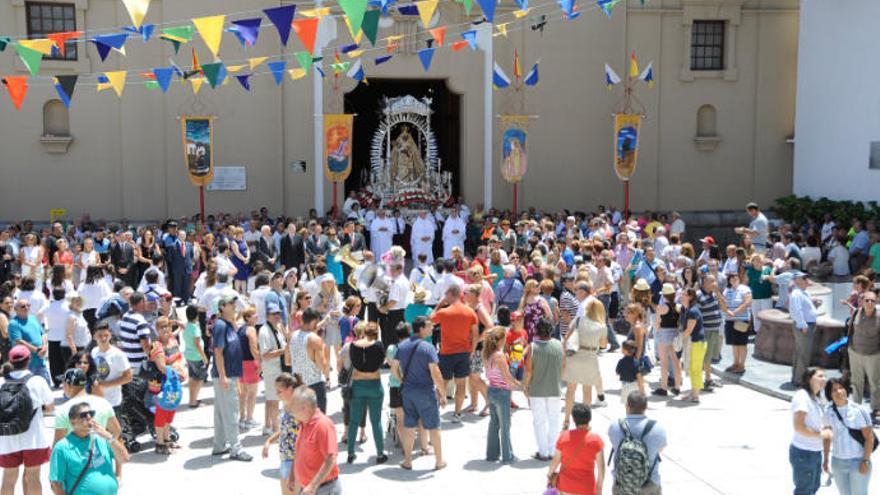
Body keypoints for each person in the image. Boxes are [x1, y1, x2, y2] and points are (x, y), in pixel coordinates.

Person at [392, 316, 447, 471]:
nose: (432, 328)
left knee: (409, 427)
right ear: (421, 328)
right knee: (434, 427)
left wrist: (402, 379)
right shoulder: (428, 347)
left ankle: (408, 461)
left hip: (408, 392)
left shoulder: (402, 346)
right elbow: (436, 373)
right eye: (429, 326)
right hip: (425, 392)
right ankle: (439, 461)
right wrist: (442, 394)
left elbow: (394, 368)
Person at [0, 346, 54, 495]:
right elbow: (50, 408)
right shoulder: (37, 381)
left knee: (8, 478)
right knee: (33, 478)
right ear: (28, 360)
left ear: (10, 361)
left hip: (7, 437)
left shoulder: (1, 382)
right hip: (34, 438)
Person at [48, 402, 129, 495]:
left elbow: (124, 459)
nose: (89, 417)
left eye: (91, 413)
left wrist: (109, 437)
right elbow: (55, 483)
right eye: (83, 415)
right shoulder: (62, 448)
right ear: (72, 421)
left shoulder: (102, 439)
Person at [211, 294, 252, 461]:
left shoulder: (228, 325)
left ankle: (220, 445)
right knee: (231, 412)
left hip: (229, 375)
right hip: (225, 375)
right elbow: (218, 352)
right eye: (230, 303)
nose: (234, 305)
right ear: (222, 307)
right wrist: (223, 376)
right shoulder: (220, 325)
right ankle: (236, 448)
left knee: (222, 412)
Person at [431, 285, 479, 422]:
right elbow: (475, 335)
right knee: (461, 384)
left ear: (451, 294)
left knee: (442, 383)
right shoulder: (470, 312)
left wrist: (439, 304)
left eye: (446, 295)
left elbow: (430, 319)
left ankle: (434, 412)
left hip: (447, 353)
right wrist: (472, 350)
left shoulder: (444, 312)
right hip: (464, 352)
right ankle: (457, 413)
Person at [823, 377, 874, 495]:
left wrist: (865, 461)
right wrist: (825, 459)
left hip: (857, 461)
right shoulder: (828, 411)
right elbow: (827, 437)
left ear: (846, 390)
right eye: (834, 390)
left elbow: (869, 438)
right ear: (830, 395)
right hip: (838, 462)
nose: (838, 392)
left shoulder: (859, 411)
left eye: (841, 388)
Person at [345, 321, 387, 465]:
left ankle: (350, 453)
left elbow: (354, 363)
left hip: (358, 386)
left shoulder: (353, 346)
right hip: (374, 384)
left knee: (354, 420)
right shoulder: (378, 345)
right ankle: (380, 453)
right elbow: (381, 362)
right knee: (376, 421)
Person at [562, 298, 607, 427]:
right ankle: (585, 422)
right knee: (587, 391)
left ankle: (566, 419)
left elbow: (566, 338)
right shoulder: (602, 326)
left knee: (571, 390)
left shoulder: (578, 320)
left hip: (575, 356)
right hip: (590, 357)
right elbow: (603, 345)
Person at [524, 317, 563, 461]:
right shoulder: (559, 345)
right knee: (554, 420)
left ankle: (543, 451)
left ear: (536, 331)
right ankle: (552, 451)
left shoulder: (533, 347)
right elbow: (563, 366)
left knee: (539, 421)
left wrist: (525, 386)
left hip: (537, 390)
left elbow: (528, 371)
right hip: (555, 388)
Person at [291, 386, 341, 495]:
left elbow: (331, 458)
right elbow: (299, 454)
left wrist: (313, 486)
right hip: (308, 488)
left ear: (305, 408)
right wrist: (292, 477)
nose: (291, 410)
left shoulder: (323, 425)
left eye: (293, 407)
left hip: (323, 489)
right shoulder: (304, 422)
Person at [148, 317, 187, 455]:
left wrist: (181, 367)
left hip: (174, 382)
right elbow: (162, 367)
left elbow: (179, 357)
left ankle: (167, 438)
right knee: (161, 413)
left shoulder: (173, 340)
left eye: (167, 326)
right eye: (162, 327)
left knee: (170, 410)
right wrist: (177, 370)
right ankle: (160, 443)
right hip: (162, 384)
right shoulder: (156, 345)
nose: (165, 329)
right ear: (157, 330)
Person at [483, 325, 522, 464]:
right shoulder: (499, 356)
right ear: (500, 340)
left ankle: (492, 454)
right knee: (505, 425)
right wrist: (520, 385)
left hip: (492, 390)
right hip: (501, 392)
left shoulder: (487, 354)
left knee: (494, 423)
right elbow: (507, 377)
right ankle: (508, 456)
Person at [547, 402, 605, 495]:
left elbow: (555, 461)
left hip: (565, 487)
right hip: (587, 488)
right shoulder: (596, 440)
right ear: (589, 418)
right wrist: (599, 488)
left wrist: (549, 476)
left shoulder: (564, 436)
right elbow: (601, 468)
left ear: (573, 419)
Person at [52, 368, 121, 444]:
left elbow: (58, 444)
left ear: (68, 385)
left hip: (75, 455)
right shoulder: (104, 403)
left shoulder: (63, 410)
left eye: (63, 383)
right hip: (100, 455)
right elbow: (116, 431)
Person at [789, 368, 831, 495]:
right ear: (809, 378)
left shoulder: (816, 398)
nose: (824, 379)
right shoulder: (802, 397)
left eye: (825, 376)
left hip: (814, 452)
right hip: (804, 453)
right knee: (804, 491)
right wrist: (820, 435)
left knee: (813, 488)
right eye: (820, 376)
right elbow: (799, 426)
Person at [261, 373, 304, 495]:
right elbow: (285, 429)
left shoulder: (298, 409)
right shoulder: (286, 406)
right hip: (285, 459)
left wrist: (292, 474)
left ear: (290, 389)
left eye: (279, 391)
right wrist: (269, 441)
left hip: (295, 461)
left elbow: (302, 438)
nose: (277, 394)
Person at [259, 303, 289, 435]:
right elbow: (265, 354)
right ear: (267, 316)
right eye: (274, 314)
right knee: (274, 399)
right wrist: (284, 351)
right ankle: (276, 430)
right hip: (272, 369)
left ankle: (267, 426)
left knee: (270, 399)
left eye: (278, 313)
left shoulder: (277, 327)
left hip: (277, 368)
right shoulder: (264, 331)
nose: (277, 316)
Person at [290, 308, 328, 413]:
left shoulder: (292, 336)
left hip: (298, 384)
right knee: (318, 421)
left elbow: (287, 361)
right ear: (313, 322)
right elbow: (322, 366)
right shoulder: (314, 339)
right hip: (315, 384)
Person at [7, 300, 50, 384]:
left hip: (40, 361)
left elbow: (43, 334)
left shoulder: (33, 318)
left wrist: (44, 347)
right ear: (16, 309)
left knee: (45, 387)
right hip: (27, 365)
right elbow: (18, 341)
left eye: (28, 305)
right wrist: (37, 350)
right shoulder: (13, 323)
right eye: (23, 306)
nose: (26, 307)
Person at [90, 323, 132, 411]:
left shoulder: (118, 355)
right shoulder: (94, 352)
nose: (103, 338)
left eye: (106, 335)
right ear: (94, 337)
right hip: (96, 401)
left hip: (113, 402)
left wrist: (105, 385)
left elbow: (128, 377)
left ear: (110, 336)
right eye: (100, 335)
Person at [652, 284, 682, 397]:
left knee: (664, 362)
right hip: (675, 333)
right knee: (676, 361)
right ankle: (677, 387)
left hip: (664, 334)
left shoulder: (661, 307)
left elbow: (657, 323)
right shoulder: (678, 307)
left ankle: (663, 388)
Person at [677, 288, 706, 403]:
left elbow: (689, 330)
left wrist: (678, 339)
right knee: (691, 368)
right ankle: (693, 392)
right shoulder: (686, 309)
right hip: (692, 342)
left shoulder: (693, 311)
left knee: (696, 369)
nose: (681, 295)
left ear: (690, 297)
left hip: (697, 342)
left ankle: (696, 396)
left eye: (683, 294)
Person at [789, 272, 818, 386]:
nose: (807, 280)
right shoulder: (797, 293)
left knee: (800, 353)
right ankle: (800, 380)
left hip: (806, 325)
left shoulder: (802, 292)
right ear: (797, 280)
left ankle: (797, 378)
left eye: (807, 278)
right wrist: (803, 325)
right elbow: (796, 310)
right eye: (804, 278)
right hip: (804, 327)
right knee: (803, 354)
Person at [721, 273, 752, 374]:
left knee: (742, 343)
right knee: (734, 343)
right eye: (732, 278)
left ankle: (741, 365)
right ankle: (735, 363)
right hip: (730, 320)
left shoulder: (745, 289)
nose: (734, 280)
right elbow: (723, 303)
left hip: (741, 320)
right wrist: (727, 311)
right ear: (729, 280)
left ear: (739, 279)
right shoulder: (727, 290)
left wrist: (734, 312)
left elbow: (747, 302)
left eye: (736, 278)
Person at [237, 307, 262, 431]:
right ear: (247, 317)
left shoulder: (240, 329)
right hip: (250, 363)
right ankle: (249, 419)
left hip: (240, 363)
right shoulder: (251, 329)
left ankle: (242, 418)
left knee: (243, 394)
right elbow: (253, 348)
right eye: (254, 315)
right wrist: (260, 362)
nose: (257, 316)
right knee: (252, 394)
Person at [181, 305, 208, 408]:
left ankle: (192, 399)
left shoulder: (186, 325)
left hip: (189, 356)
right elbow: (197, 344)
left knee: (192, 378)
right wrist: (204, 357)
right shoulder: (195, 328)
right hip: (197, 357)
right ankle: (193, 401)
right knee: (200, 379)